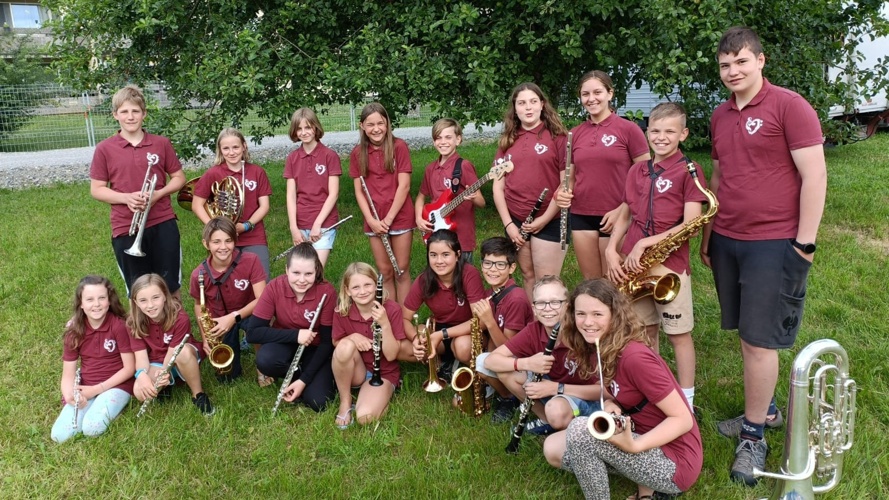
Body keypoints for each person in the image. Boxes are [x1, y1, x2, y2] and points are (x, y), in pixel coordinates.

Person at [702, 26, 827, 486]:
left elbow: (814, 176)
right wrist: (709, 237)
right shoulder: (719, 115)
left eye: (741, 61)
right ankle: (767, 409)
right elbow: (718, 178)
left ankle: (753, 435)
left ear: (760, 60)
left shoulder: (789, 106)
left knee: (760, 341)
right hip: (727, 238)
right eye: (725, 65)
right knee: (747, 333)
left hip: (773, 242)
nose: (732, 71)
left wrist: (805, 244)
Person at [543, 279, 702, 499]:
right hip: (641, 437)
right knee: (553, 448)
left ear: (614, 315)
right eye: (581, 314)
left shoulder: (635, 358)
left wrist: (635, 446)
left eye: (597, 314)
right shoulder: (599, 347)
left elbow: (683, 419)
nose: (587, 322)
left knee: (580, 432)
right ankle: (646, 489)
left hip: (675, 462)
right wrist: (611, 402)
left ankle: (642, 490)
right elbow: (620, 391)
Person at [605, 102, 707, 414]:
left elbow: (691, 225)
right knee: (643, 332)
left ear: (683, 134)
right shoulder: (636, 170)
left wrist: (645, 244)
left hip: (668, 266)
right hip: (633, 264)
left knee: (679, 334)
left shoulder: (689, 171)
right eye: (655, 131)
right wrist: (611, 249)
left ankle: (687, 401)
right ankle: (655, 392)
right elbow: (625, 214)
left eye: (670, 132)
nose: (661, 137)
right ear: (647, 132)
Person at [89, 85, 186, 298]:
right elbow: (96, 189)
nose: (130, 116)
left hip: (162, 221)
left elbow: (179, 178)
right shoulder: (105, 149)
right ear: (115, 115)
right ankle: (141, 322)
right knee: (137, 289)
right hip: (126, 226)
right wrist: (126, 198)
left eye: (135, 111)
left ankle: (175, 320)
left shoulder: (161, 144)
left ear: (144, 113)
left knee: (170, 285)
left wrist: (158, 194)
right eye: (124, 111)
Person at [555, 70, 651, 279]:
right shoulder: (574, 134)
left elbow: (646, 176)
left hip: (618, 214)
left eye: (597, 92)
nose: (591, 99)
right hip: (582, 215)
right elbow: (570, 178)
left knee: (615, 284)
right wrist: (561, 193)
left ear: (610, 93)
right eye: (585, 94)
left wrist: (622, 209)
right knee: (592, 282)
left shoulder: (629, 129)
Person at [481, 275, 600, 436]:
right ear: (534, 309)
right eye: (541, 303)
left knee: (556, 411)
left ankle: (565, 425)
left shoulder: (584, 333)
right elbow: (490, 361)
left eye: (555, 302)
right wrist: (527, 363)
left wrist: (556, 388)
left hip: (589, 400)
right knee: (504, 370)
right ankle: (545, 419)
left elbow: (604, 391)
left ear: (567, 306)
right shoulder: (534, 330)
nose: (547, 308)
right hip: (554, 390)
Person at [493, 82, 569, 299]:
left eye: (533, 101)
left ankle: (552, 320)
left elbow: (565, 184)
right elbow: (498, 186)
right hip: (516, 220)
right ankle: (532, 320)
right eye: (522, 103)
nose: (528, 107)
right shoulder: (507, 140)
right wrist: (509, 225)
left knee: (547, 281)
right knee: (527, 276)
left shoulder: (558, 137)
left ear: (542, 105)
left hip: (550, 218)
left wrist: (543, 220)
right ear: (515, 108)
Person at [245, 243, 336, 412]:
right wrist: (296, 335)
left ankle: (306, 378)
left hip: (315, 348)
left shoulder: (327, 292)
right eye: (296, 273)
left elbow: (326, 343)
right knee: (265, 360)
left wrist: (304, 380)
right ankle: (296, 373)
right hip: (286, 341)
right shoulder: (274, 287)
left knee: (318, 402)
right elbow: (252, 333)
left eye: (308, 274)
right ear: (286, 270)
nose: (302, 280)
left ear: (316, 271)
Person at [51, 276, 135, 443]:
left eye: (101, 298)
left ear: (109, 301)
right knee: (59, 435)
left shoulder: (119, 326)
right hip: (87, 386)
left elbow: (129, 368)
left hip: (117, 385)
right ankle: (94, 404)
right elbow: (68, 374)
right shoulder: (74, 332)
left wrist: (97, 389)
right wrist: (69, 395)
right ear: (81, 303)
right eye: (89, 299)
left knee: (92, 428)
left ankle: (112, 407)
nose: (96, 304)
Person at [349, 102, 415, 303]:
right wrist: (371, 220)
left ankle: (405, 318)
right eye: (370, 124)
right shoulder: (357, 153)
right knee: (385, 272)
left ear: (387, 124)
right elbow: (359, 191)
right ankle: (391, 317)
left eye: (380, 123)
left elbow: (404, 186)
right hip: (374, 220)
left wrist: (388, 219)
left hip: (399, 216)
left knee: (401, 270)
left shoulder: (399, 147)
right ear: (362, 126)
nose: (376, 129)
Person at [331, 263, 410, 428]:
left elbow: (391, 355)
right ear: (347, 291)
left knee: (365, 418)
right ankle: (345, 401)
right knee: (344, 346)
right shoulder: (342, 311)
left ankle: (381, 395)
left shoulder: (392, 309)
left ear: (376, 285)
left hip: (383, 372)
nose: (362, 291)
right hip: (357, 371)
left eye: (367, 285)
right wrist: (352, 337)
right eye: (356, 287)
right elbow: (337, 342)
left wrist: (385, 323)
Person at [190, 217, 268, 385]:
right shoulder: (198, 275)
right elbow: (198, 305)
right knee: (227, 378)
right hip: (219, 319)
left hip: (248, 312)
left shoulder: (251, 260)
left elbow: (262, 299)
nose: (223, 247)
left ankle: (262, 366)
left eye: (228, 241)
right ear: (206, 244)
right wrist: (205, 337)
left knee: (259, 324)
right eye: (216, 242)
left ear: (235, 240)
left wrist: (233, 317)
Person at [403, 229, 486, 378]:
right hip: (440, 332)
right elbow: (404, 318)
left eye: (446, 254)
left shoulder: (469, 274)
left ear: (458, 255)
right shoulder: (424, 280)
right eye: (433, 255)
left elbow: (480, 321)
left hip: (467, 331)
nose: (439, 261)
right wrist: (416, 338)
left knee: (462, 347)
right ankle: (442, 361)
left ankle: (472, 370)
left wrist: (441, 335)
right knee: (411, 341)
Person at [192, 128, 273, 279]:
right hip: (223, 238)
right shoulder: (213, 173)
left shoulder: (257, 172)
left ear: (244, 146)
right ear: (220, 150)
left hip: (254, 236)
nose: (231, 152)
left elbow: (264, 206)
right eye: (226, 148)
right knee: (226, 281)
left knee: (261, 279)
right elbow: (197, 205)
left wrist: (246, 226)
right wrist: (217, 228)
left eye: (235, 147)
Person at [128, 273, 214, 415]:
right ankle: (166, 386)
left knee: (182, 352)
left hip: (180, 357)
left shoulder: (180, 317)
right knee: (139, 391)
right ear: (135, 302)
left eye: (155, 297)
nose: (150, 305)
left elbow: (173, 352)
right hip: (156, 362)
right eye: (143, 300)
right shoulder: (133, 323)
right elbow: (141, 357)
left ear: (165, 296)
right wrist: (141, 375)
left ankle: (198, 394)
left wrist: (164, 372)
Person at [470, 236, 535, 423]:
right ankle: (495, 386)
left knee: (482, 362)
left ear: (512, 268)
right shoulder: (493, 292)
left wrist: (489, 322)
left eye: (500, 264)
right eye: (488, 263)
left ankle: (509, 398)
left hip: (522, 364)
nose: (492, 269)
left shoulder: (516, 299)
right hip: (504, 355)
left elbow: (510, 348)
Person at [415, 118, 484, 262]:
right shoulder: (430, 168)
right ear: (434, 141)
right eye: (438, 138)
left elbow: (481, 202)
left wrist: (473, 198)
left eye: (448, 137)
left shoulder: (464, 166)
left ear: (458, 140)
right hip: (437, 233)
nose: (443, 142)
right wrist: (419, 218)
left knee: (463, 273)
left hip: (461, 237)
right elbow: (421, 196)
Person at [284, 108, 342, 267]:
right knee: (301, 272)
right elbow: (290, 196)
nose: (304, 132)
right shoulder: (292, 158)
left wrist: (317, 224)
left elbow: (333, 194)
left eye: (308, 127)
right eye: (299, 129)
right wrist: (293, 228)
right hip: (301, 223)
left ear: (315, 127)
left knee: (315, 271)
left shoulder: (329, 155)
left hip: (324, 223)